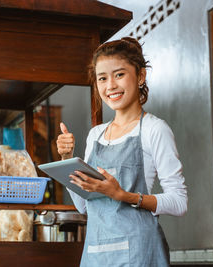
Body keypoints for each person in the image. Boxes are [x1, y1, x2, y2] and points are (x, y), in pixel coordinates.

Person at [56, 37, 187, 267]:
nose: (110, 86)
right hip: (96, 255)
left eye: (119, 74)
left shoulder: (154, 129)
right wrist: (67, 160)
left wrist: (122, 195)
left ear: (141, 76)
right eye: (102, 78)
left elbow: (179, 202)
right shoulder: (95, 135)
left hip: (140, 254)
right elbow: (84, 205)